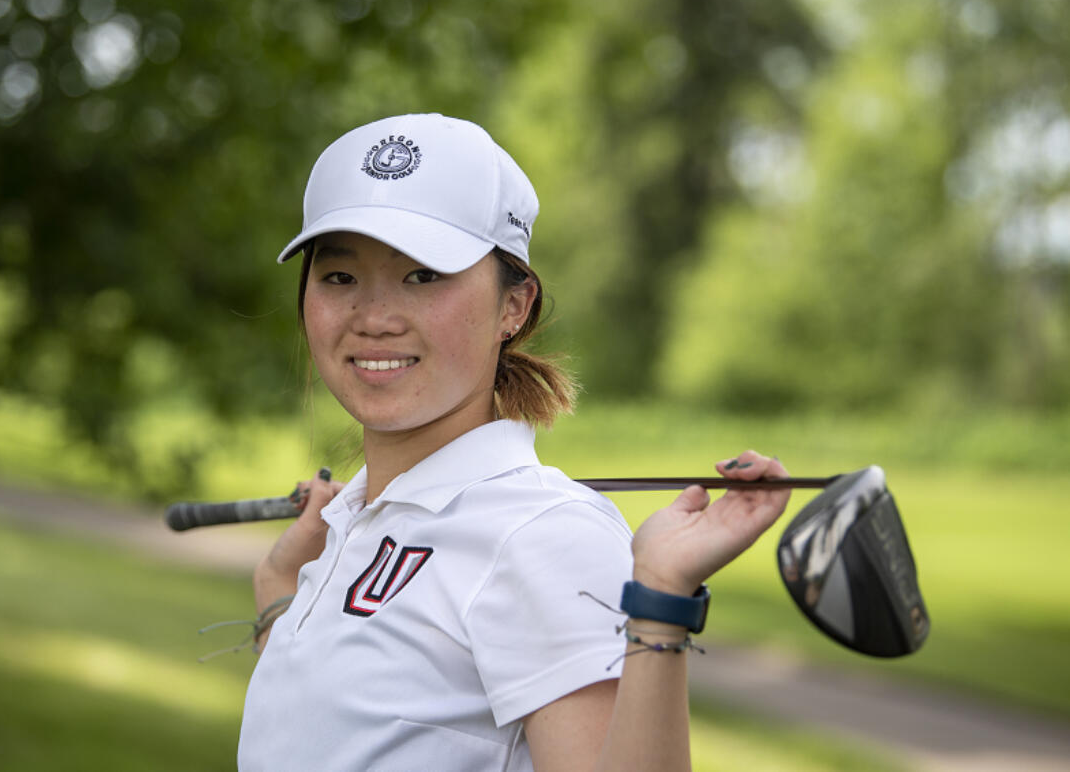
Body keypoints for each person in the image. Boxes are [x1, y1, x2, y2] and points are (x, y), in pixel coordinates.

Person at [237, 113, 792, 772]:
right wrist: (280, 592)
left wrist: (661, 598)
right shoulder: (350, 521)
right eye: (339, 277)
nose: (375, 318)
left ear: (515, 305)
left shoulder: (545, 538)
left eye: (422, 276)